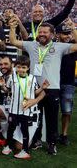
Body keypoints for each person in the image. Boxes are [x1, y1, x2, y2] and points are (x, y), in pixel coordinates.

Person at [9, 20, 77, 155]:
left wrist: (73, 28)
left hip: (52, 88)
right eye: (40, 32)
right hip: (34, 88)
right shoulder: (31, 45)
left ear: (52, 34)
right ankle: (37, 140)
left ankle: (52, 143)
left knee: (52, 117)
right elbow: (13, 42)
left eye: (45, 32)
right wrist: (12, 27)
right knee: (35, 117)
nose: (41, 34)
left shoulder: (59, 46)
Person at [1, 55, 48, 159]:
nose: (20, 69)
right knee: (11, 128)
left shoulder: (32, 78)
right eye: (18, 67)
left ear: (28, 68)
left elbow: (35, 92)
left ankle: (25, 150)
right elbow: (8, 90)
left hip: (26, 110)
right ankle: (8, 146)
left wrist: (42, 88)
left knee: (24, 130)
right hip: (13, 109)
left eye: (23, 67)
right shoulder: (12, 77)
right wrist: (2, 86)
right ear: (15, 67)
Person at [55, 21, 77, 146]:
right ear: (58, 35)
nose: (67, 36)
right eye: (64, 33)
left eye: (68, 33)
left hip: (68, 83)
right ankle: (52, 133)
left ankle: (64, 134)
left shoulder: (72, 46)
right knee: (51, 110)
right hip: (54, 82)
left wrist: (73, 28)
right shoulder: (53, 46)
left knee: (66, 111)